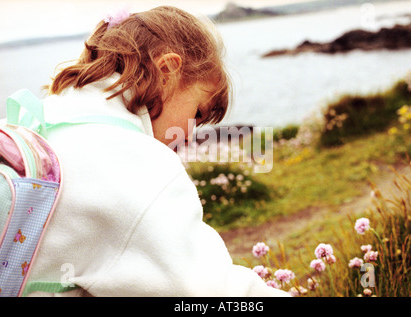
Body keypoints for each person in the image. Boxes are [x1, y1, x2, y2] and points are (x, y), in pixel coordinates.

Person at [22, 6, 289, 297]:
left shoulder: (42, 119)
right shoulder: (138, 166)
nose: (189, 134)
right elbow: (208, 291)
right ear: (167, 71)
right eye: (197, 113)